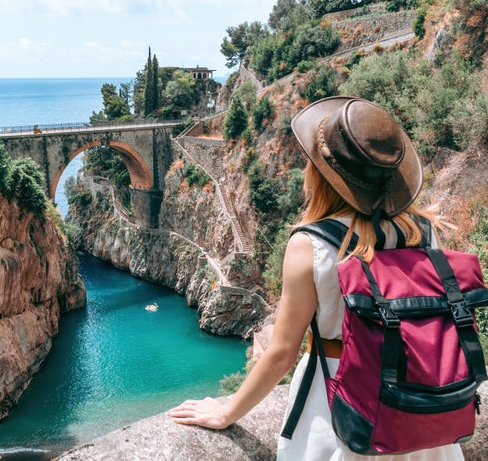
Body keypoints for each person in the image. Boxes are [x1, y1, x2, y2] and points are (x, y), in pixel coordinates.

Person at [169, 96, 463, 460]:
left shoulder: (312, 245)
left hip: (342, 408)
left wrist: (227, 411)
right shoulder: (424, 231)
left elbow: (282, 353)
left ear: (322, 174)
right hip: (420, 407)